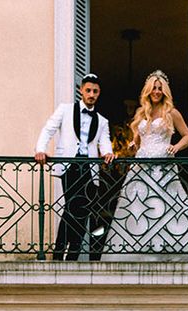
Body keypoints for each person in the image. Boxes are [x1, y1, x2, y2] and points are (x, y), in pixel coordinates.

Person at [104, 71, 188, 256]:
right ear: (147, 91)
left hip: (163, 165)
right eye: (153, 88)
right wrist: (132, 146)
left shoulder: (171, 113)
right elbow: (137, 142)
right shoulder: (141, 113)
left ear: (164, 91)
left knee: (164, 203)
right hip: (141, 167)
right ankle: (139, 248)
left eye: (160, 89)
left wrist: (176, 147)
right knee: (138, 205)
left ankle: (166, 248)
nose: (156, 92)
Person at [35, 73, 114, 261]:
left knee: (83, 210)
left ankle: (69, 255)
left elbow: (105, 142)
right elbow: (48, 129)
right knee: (73, 207)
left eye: (95, 91)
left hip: (89, 169)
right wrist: (40, 150)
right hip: (70, 166)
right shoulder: (65, 109)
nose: (91, 94)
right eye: (88, 90)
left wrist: (108, 152)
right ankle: (61, 254)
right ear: (81, 91)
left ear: (99, 93)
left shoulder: (102, 121)